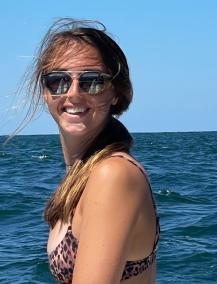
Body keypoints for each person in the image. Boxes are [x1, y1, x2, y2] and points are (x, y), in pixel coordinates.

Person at [17, 18, 160, 283]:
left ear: (115, 92)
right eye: (57, 81)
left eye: (91, 81)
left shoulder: (113, 174)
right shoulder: (82, 173)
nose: (72, 94)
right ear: (45, 92)